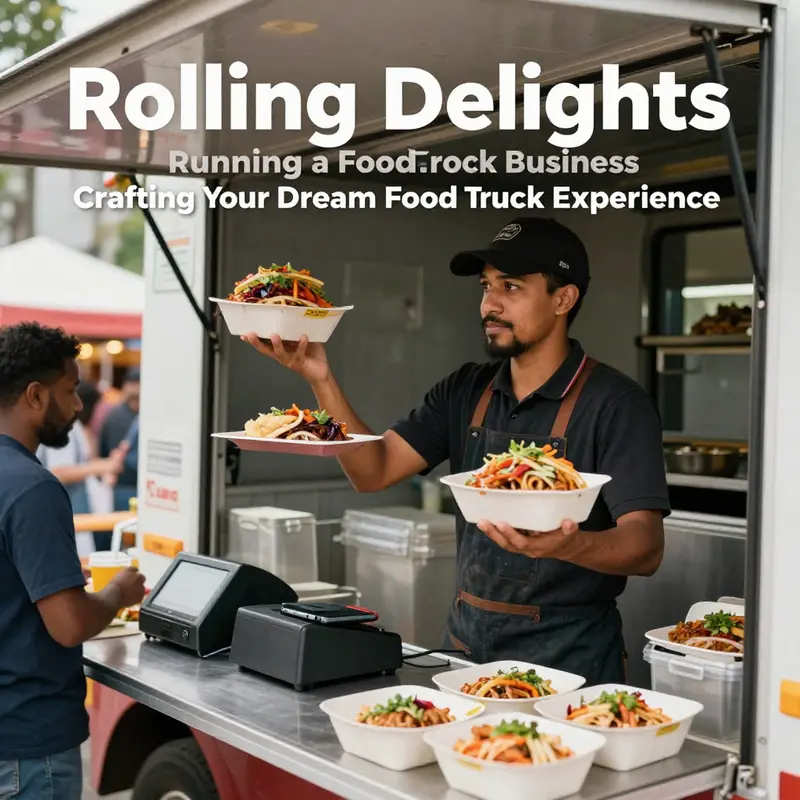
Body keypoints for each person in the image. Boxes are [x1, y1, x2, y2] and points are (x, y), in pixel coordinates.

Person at [242, 216, 670, 686]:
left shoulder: (616, 404)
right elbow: (372, 471)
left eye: (511, 287)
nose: (489, 303)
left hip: (570, 661)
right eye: (486, 287)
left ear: (563, 298)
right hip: (466, 653)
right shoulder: (465, 390)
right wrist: (319, 378)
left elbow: (645, 547)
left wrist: (568, 545)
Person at [0, 322, 146, 799]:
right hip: (28, 744)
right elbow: (68, 625)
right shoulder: (34, 487)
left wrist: (54, 581)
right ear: (37, 396)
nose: (81, 405)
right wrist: (115, 593)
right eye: (71, 390)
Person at [37, 380, 125, 555]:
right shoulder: (62, 427)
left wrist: (105, 468)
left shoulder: (77, 427)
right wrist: (103, 467)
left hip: (79, 507)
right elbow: (59, 472)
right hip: (65, 509)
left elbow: (85, 462)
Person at [98, 366, 140, 511]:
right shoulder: (115, 416)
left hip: (142, 487)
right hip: (121, 485)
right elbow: (104, 450)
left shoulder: (114, 414)